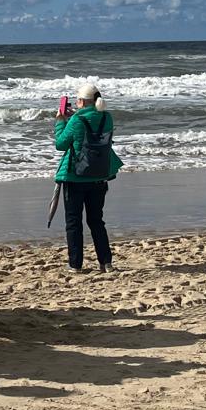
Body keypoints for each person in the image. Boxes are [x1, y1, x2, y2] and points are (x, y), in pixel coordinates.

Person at [53, 83, 123, 272]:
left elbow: (61, 144)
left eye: (77, 101)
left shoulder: (76, 119)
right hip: (99, 175)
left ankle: (75, 264)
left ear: (82, 101)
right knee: (96, 220)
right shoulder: (106, 117)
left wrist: (60, 121)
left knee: (74, 222)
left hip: (75, 176)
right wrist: (72, 119)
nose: (76, 104)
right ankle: (106, 262)